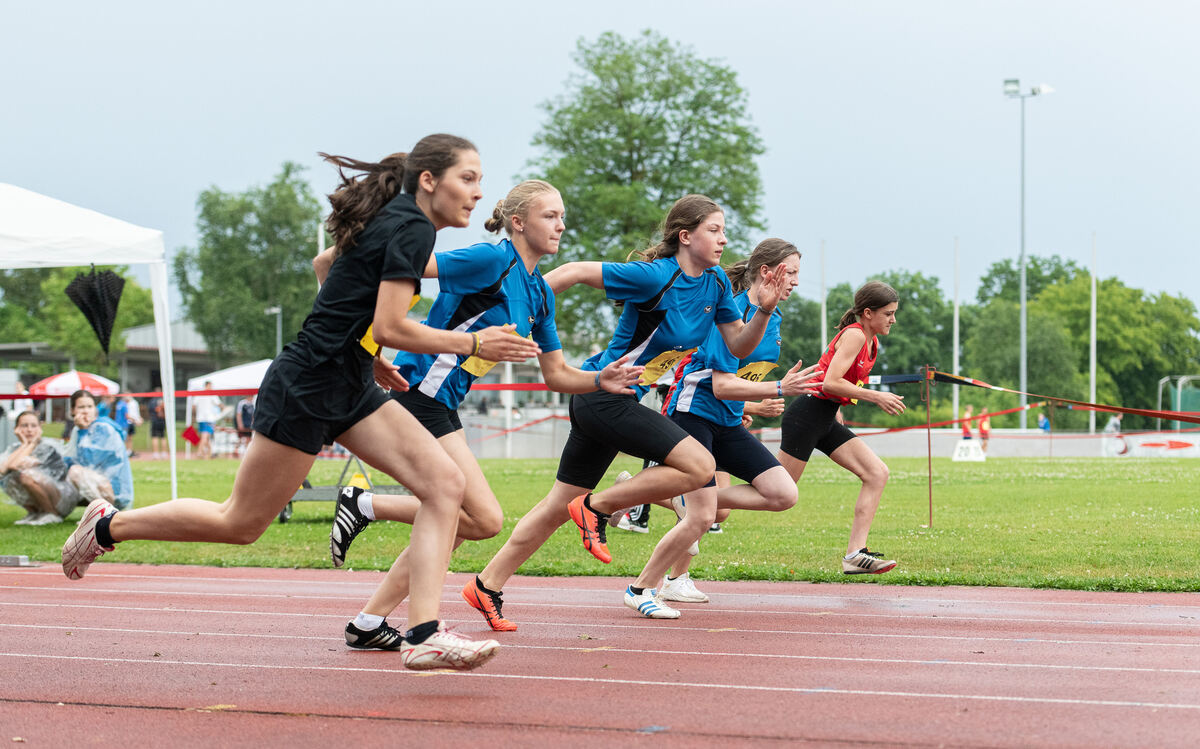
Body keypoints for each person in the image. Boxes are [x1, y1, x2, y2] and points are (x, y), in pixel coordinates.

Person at [60, 134, 535, 671]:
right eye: (468, 179)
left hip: (349, 382)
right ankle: (106, 525)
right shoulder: (412, 225)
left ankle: (424, 632)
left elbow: (325, 263)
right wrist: (472, 342)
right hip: (308, 384)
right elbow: (392, 323)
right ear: (430, 181)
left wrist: (364, 347)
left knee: (444, 486)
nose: (477, 194)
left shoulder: (400, 221)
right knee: (240, 523)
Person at [321, 179, 643, 639]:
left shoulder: (539, 293)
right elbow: (399, 268)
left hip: (444, 404)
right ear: (518, 222)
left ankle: (369, 620)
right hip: (417, 395)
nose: (561, 226)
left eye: (562, 216)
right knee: (480, 517)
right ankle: (366, 507)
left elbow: (555, 375)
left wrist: (599, 379)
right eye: (550, 216)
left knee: (459, 520)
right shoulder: (490, 259)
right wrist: (368, 349)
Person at [467, 194, 787, 627]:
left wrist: (764, 309)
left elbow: (738, 345)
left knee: (557, 505)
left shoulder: (712, 283)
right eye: (714, 229)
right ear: (685, 235)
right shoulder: (655, 276)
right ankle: (597, 508)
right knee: (699, 464)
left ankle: (486, 586)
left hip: (617, 399)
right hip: (601, 394)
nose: (724, 239)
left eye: (724, 231)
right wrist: (523, 309)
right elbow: (576, 272)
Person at [620, 238, 817, 617]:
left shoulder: (770, 316)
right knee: (702, 516)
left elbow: (737, 379)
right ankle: (640, 587)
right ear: (767, 272)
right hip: (693, 414)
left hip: (726, 421)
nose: (795, 281)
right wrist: (780, 388)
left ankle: (643, 494)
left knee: (782, 494)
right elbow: (721, 383)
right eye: (790, 272)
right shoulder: (733, 311)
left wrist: (747, 406)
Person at [776, 280, 905, 575]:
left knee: (876, 473)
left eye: (894, 313)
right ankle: (704, 501)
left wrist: (838, 415)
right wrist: (876, 396)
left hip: (827, 418)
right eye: (888, 313)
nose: (893, 320)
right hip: (807, 417)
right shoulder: (855, 335)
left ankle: (855, 555)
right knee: (777, 494)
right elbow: (830, 382)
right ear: (868, 312)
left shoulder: (872, 341)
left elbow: (840, 387)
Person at [1, 410, 81, 525]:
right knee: (8, 479)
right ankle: (35, 512)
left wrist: (31, 444)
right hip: (50, 492)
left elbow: (14, 465)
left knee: (27, 476)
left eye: (33, 426)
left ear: (40, 429)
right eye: (24, 425)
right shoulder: (16, 448)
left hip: (61, 497)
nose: (29, 429)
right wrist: (25, 444)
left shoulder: (46, 447)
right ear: (16, 429)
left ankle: (52, 513)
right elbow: (2, 470)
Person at [63, 390, 134, 511]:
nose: (86, 411)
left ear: (95, 409)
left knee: (75, 472)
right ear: (72, 411)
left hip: (115, 490)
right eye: (81, 407)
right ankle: (49, 515)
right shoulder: (77, 429)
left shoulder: (103, 428)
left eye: (90, 406)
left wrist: (83, 430)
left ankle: (106, 513)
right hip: (97, 484)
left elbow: (89, 462)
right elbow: (70, 458)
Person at [192, 382, 222, 459]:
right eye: (210, 386)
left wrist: (194, 416)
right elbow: (220, 404)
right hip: (208, 419)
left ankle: (211, 452)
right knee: (205, 437)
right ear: (207, 385)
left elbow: (194, 406)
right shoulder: (211, 394)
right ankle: (199, 453)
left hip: (201, 418)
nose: (211, 387)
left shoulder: (199, 394)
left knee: (206, 437)